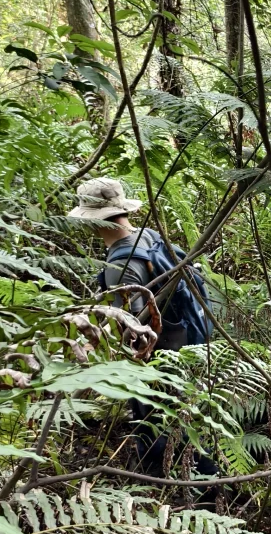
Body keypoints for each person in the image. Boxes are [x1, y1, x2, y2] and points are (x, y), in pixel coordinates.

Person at [67, 177, 213, 476]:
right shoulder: (149, 236)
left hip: (156, 357)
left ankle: (190, 485)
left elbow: (131, 328)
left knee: (159, 424)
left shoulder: (120, 265)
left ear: (93, 222)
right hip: (183, 341)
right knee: (181, 417)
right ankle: (195, 478)